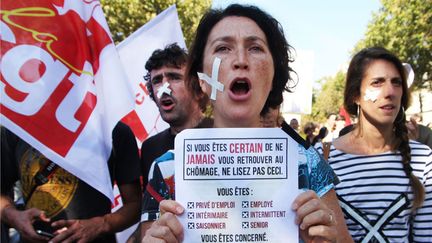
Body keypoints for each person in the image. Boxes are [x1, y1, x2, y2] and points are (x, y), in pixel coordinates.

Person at [141, 4, 352, 242]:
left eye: (255, 48)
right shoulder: (167, 169)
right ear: (202, 80)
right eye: (222, 48)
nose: (240, 60)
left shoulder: (307, 162)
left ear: (273, 77)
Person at [317, 47, 432, 241]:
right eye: (377, 82)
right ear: (356, 95)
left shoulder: (423, 159)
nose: (390, 92)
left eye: (397, 83)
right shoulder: (321, 157)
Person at [1, 122, 141, 243]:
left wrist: (100, 225)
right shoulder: (15, 129)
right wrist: (14, 217)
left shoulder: (113, 129)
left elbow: (135, 205)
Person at [128, 43, 211, 242]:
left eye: (174, 77)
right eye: (157, 80)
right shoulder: (150, 148)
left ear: (199, 88)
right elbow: (150, 213)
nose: (164, 88)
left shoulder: (226, 134)